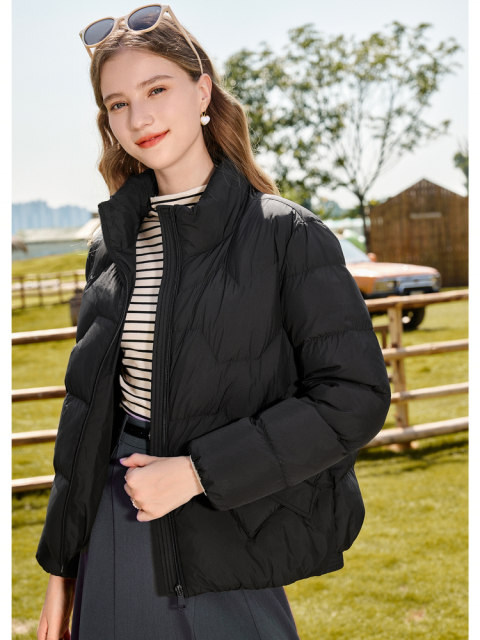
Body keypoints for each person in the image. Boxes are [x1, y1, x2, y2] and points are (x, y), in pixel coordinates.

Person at [36, 5, 391, 639]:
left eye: (157, 90)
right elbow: (86, 415)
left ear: (202, 90)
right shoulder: (111, 245)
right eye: (118, 104)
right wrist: (62, 567)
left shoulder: (286, 234)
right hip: (112, 526)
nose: (139, 118)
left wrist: (197, 473)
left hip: (227, 527)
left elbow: (354, 396)